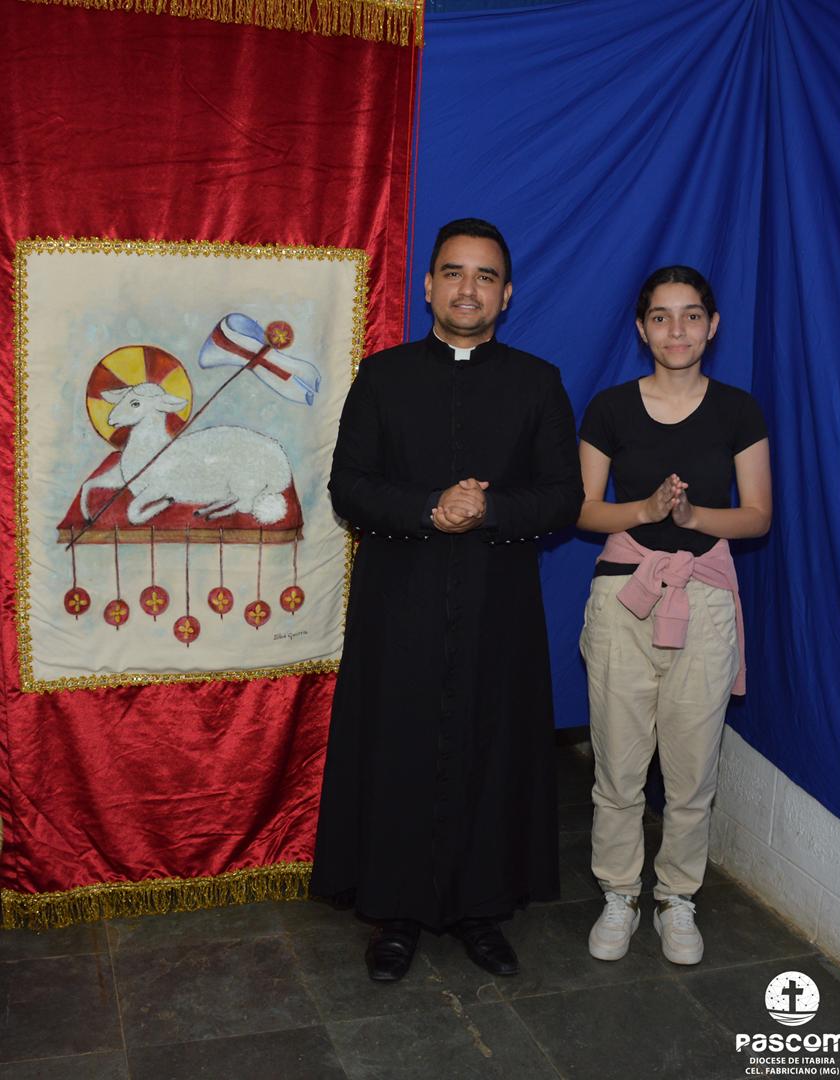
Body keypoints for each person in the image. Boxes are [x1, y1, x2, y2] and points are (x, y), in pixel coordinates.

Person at [311, 218, 583, 981]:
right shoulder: (383, 376)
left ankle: (478, 910)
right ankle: (395, 913)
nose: (469, 289)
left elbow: (562, 496)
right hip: (399, 606)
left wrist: (488, 509)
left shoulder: (537, 382)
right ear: (427, 286)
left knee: (490, 751)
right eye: (454, 273)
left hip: (498, 609)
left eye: (485, 276)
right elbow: (349, 487)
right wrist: (430, 507)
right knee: (396, 750)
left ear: (506, 294)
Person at [578, 266, 771, 966]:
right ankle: (618, 893)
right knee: (618, 766)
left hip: (705, 600)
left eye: (691, 316)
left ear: (712, 326)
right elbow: (582, 508)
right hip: (623, 599)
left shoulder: (738, 411)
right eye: (661, 317)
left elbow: (757, 515)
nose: (676, 330)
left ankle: (676, 898)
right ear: (642, 328)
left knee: (692, 771)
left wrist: (691, 517)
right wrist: (647, 510)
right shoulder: (608, 409)